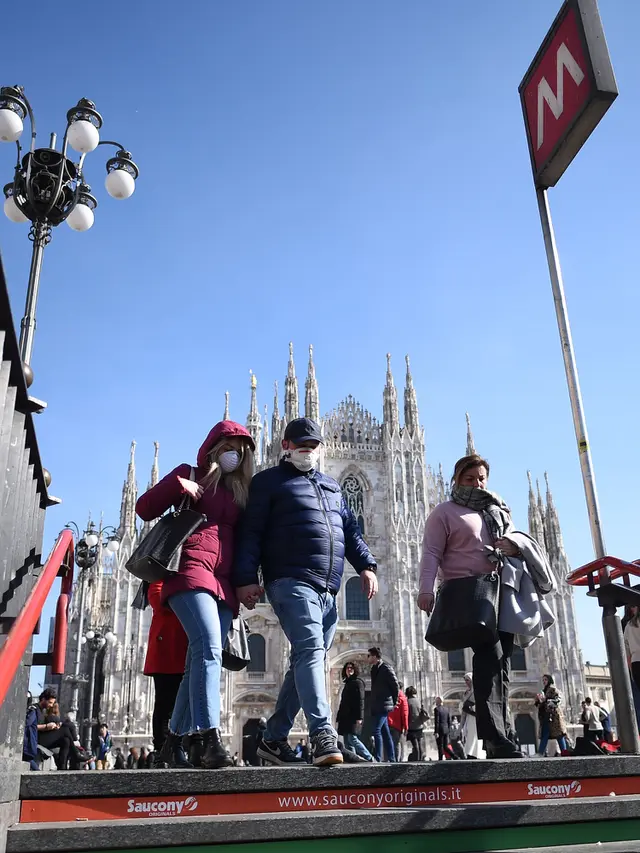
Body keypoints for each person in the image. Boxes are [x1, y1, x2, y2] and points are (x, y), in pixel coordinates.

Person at [234, 417, 378, 767]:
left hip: (328, 589)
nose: (308, 451)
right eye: (302, 445)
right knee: (312, 650)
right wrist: (245, 577)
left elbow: (350, 531)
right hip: (289, 580)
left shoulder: (331, 487)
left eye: (313, 445)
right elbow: (251, 533)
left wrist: (367, 566)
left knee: (304, 659)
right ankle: (321, 733)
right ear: (286, 445)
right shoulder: (267, 483)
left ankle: (273, 739)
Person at [136, 420, 255, 770]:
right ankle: (208, 737)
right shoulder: (190, 473)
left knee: (196, 663)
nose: (235, 453)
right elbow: (144, 508)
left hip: (223, 582)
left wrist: (246, 581)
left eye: (242, 449)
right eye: (229, 445)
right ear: (215, 446)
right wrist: (177, 485)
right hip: (189, 570)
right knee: (208, 647)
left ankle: (172, 742)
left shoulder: (240, 492)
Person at [418, 453, 543, 759]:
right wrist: (425, 589)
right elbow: (431, 552)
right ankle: (496, 738)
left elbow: (515, 540)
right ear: (457, 479)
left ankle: (503, 733)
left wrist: (514, 545)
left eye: (481, 478)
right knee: (490, 660)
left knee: (501, 664)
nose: (476, 483)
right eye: (469, 478)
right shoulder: (444, 513)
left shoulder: (496, 509)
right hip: (468, 594)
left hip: (501, 592)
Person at [142, 580, 189, 767]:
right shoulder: (158, 576)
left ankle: (181, 746)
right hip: (166, 647)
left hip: (185, 647)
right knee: (164, 704)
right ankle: (161, 749)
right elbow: (157, 599)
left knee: (184, 703)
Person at [33, 689, 81, 770]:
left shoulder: (42, 711)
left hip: (42, 737)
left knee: (66, 740)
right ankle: (76, 754)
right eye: (50, 702)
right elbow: (31, 727)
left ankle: (62, 768)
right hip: (36, 740)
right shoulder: (34, 709)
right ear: (43, 699)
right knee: (65, 729)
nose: (51, 705)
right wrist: (47, 726)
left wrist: (51, 727)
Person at [336, 662, 374, 762]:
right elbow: (343, 702)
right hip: (345, 717)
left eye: (351, 668)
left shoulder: (358, 682)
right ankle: (352, 760)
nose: (349, 670)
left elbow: (361, 701)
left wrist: (360, 717)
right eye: (347, 668)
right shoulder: (347, 683)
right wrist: (339, 717)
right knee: (347, 741)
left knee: (352, 738)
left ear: (355, 670)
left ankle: (369, 757)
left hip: (353, 716)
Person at [368, 647, 398, 762]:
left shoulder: (386, 668)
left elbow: (395, 685)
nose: (368, 658)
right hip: (377, 704)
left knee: (376, 730)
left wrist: (394, 702)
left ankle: (378, 758)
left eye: (369, 655)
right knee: (385, 733)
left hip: (384, 704)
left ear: (375, 656)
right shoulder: (374, 669)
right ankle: (392, 758)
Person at [535, 674, 568, 756]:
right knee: (545, 734)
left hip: (554, 716)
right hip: (546, 715)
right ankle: (540, 752)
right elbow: (541, 704)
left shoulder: (553, 689)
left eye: (545, 680)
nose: (544, 681)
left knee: (559, 735)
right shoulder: (544, 691)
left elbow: (558, 700)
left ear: (549, 680)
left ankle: (564, 752)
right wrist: (539, 701)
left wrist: (546, 700)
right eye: (543, 680)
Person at [461, 673, 485, 759]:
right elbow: (464, 705)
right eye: (465, 680)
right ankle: (470, 754)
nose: (466, 682)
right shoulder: (466, 692)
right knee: (469, 735)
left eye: (467, 680)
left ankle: (476, 754)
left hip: (475, 717)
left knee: (475, 736)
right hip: (469, 717)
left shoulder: (477, 691)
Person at [405, 686, 428, 761]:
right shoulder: (418, 701)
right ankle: (421, 761)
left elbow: (406, 714)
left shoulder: (407, 702)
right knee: (419, 744)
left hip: (411, 726)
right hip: (419, 726)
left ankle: (417, 762)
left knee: (415, 746)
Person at [387, 683, 409, 762]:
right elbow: (405, 714)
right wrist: (406, 727)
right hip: (397, 726)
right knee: (397, 744)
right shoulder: (402, 698)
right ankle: (395, 762)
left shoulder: (388, 695)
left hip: (387, 723)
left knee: (387, 743)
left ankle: (387, 760)